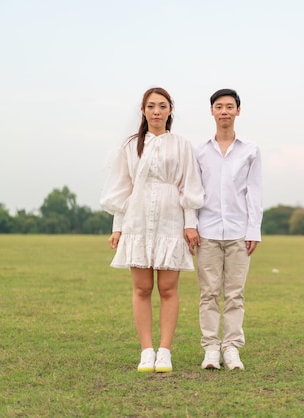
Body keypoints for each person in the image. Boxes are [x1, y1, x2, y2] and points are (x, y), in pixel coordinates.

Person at [100, 87, 204, 373]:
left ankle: (165, 351)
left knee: (168, 288)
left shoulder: (182, 145)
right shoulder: (131, 145)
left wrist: (190, 224)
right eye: (151, 106)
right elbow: (123, 189)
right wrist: (118, 228)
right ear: (143, 111)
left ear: (170, 110)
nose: (156, 111)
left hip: (172, 219)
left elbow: (189, 186)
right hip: (138, 220)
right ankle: (146, 350)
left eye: (162, 106)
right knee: (142, 288)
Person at [194, 88, 263, 370]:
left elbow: (254, 192)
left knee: (235, 293)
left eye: (229, 107)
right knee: (208, 293)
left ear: (238, 111)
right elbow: (193, 191)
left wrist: (253, 230)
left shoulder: (250, 150)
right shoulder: (199, 150)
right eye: (219, 107)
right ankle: (211, 348)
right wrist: (192, 226)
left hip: (238, 232)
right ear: (212, 111)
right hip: (206, 232)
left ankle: (232, 347)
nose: (224, 111)